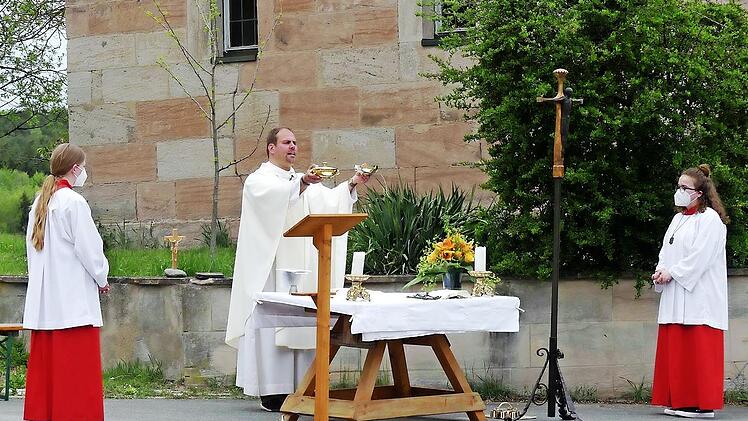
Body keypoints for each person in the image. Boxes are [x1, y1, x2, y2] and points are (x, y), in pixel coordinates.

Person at [225, 127, 370, 411]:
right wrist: (301, 183)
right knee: (274, 326)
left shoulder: (299, 180)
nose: (293, 147)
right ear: (271, 148)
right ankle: (273, 393)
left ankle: (304, 389)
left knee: (301, 324)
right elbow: (272, 199)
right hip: (272, 267)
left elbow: (329, 201)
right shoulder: (259, 180)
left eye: (295, 142)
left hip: (301, 270)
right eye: (286, 142)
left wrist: (351, 184)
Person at [22, 143, 111, 421]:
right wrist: (101, 277)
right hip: (73, 306)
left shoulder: (40, 202)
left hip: (46, 304)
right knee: (76, 376)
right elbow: (89, 248)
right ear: (75, 168)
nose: (84, 171)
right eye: (82, 166)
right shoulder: (73, 202)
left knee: (49, 376)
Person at [651, 164, 730, 419]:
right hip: (676, 294)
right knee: (677, 349)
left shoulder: (711, 221)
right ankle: (680, 400)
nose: (680, 191)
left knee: (699, 349)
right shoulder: (677, 219)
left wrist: (673, 273)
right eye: (679, 186)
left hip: (700, 297)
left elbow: (700, 257)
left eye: (685, 188)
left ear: (700, 192)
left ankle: (702, 404)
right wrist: (661, 270)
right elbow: (667, 250)